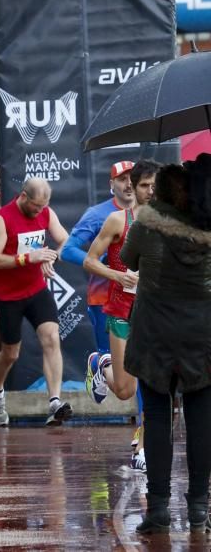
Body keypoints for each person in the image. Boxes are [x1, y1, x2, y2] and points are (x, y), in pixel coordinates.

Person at [121, 163, 211, 533]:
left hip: (154, 333)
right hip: (201, 335)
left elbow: (127, 260)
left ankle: (158, 509)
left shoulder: (146, 223)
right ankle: (199, 509)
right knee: (201, 420)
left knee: (157, 418)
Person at [84, 160, 160, 473]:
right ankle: (100, 364)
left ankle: (142, 450)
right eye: (144, 185)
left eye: (156, 185)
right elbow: (89, 261)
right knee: (126, 389)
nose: (150, 191)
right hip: (122, 311)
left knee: (154, 384)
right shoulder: (118, 221)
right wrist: (117, 277)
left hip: (155, 314)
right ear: (134, 188)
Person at [0, 178, 70, 427]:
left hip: (36, 289)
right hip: (8, 295)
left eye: (43, 206)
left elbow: (66, 239)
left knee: (51, 337)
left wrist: (51, 257)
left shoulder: (46, 212)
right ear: (23, 196)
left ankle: (55, 401)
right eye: (35, 206)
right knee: (11, 353)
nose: (39, 211)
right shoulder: (2, 219)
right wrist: (27, 258)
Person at [61, 161, 137, 355]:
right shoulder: (97, 214)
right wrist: (102, 260)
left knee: (139, 357)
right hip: (104, 296)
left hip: (138, 296)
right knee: (110, 357)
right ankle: (96, 364)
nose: (129, 184)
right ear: (111, 184)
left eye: (132, 178)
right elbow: (68, 249)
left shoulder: (148, 213)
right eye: (122, 179)